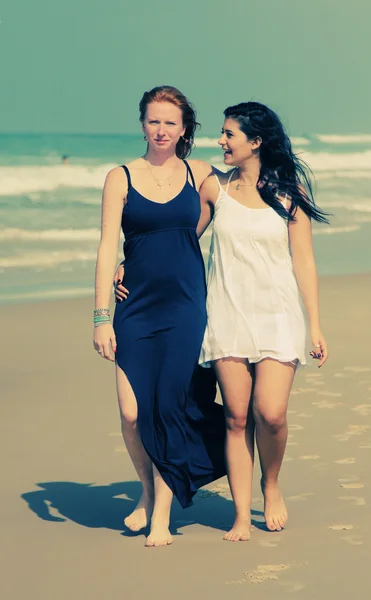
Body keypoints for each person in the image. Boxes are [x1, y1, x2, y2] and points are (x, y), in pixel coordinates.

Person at [93, 85, 225, 548]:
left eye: (171, 121)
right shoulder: (120, 177)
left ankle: (162, 517)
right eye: (153, 120)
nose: (161, 129)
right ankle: (148, 491)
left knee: (167, 409)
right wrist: (101, 316)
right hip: (136, 306)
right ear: (142, 124)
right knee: (132, 414)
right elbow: (109, 245)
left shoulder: (200, 172)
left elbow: (234, 198)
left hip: (186, 306)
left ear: (184, 127)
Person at [196, 101, 329, 540]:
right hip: (228, 312)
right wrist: (128, 265)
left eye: (229, 134)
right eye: (221, 133)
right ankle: (239, 514)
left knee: (270, 414)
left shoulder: (290, 193)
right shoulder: (216, 188)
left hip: (277, 314)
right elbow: (179, 239)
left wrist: (315, 324)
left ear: (255, 141)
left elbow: (304, 260)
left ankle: (270, 485)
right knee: (236, 417)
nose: (220, 141)